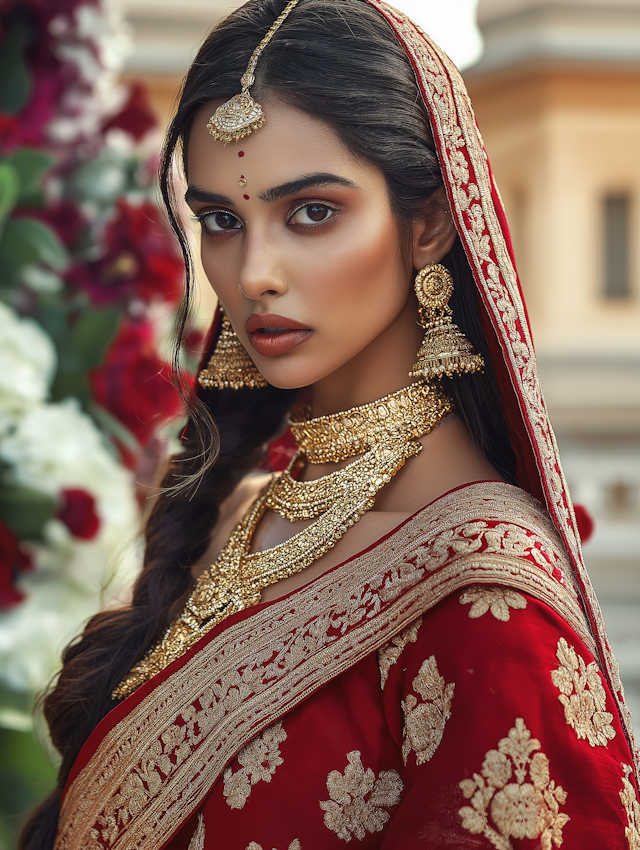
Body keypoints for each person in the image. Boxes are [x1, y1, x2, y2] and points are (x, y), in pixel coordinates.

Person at [22, 0, 640, 848]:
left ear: (426, 224)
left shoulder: (486, 598)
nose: (256, 274)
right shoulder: (241, 513)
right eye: (222, 221)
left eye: (311, 211)